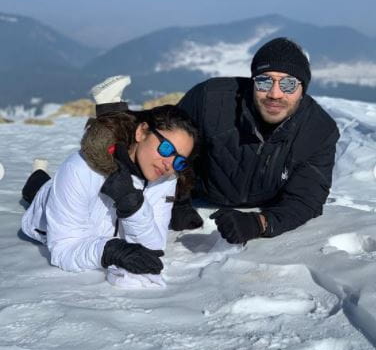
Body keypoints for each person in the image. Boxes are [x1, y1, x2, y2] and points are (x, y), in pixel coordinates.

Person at [171, 37, 340, 243]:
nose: (275, 93)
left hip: (264, 203)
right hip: (201, 195)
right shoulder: (209, 100)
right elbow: (167, 149)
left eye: (288, 84)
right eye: (264, 81)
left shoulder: (318, 131)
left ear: (303, 89)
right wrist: (177, 202)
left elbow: (305, 199)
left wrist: (260, 223)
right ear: (253, 81)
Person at [21, 102, 197, 288]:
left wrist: (132, 204)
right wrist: (110, 251)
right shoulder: (80, 168)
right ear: (141, 132)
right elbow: (64, 250)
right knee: (38, 189)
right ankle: (37, 174)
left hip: (83, 207)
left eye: (179, 160)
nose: (169, 164)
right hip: (48, 208)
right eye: (167, 149)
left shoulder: (167, 178)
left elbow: (153, 248)